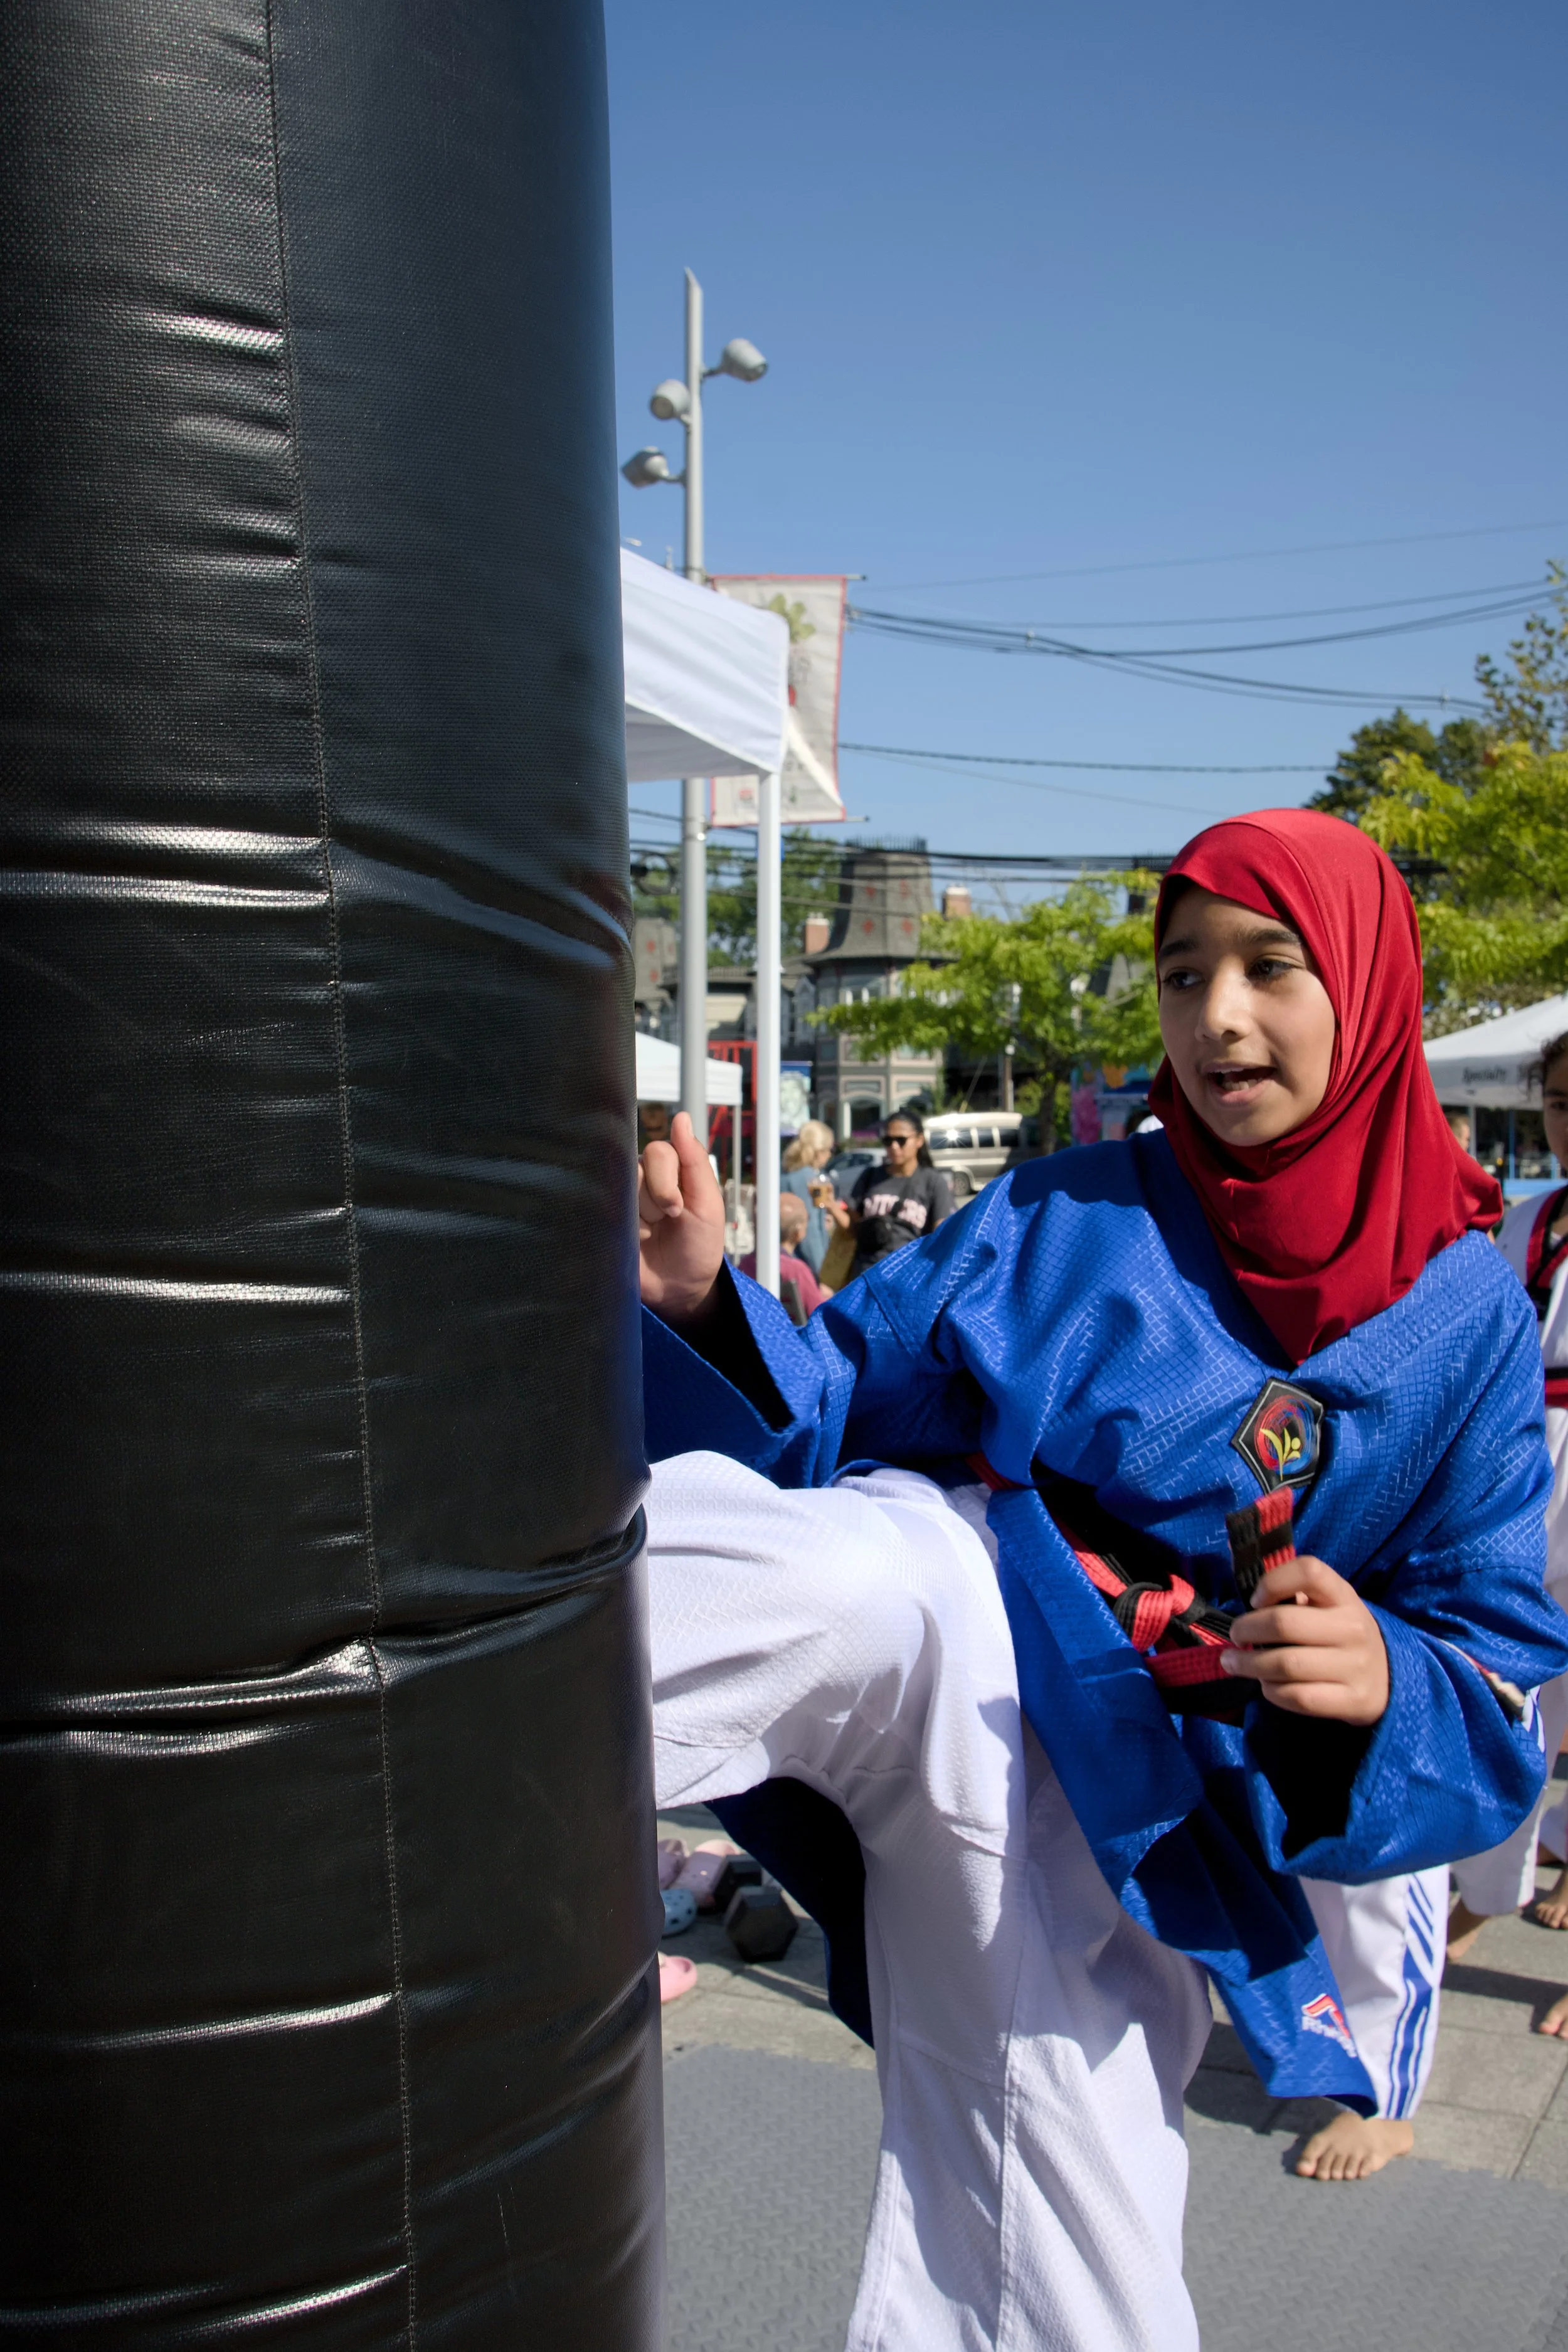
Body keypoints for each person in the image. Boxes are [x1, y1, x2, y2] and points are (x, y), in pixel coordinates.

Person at [635, 810, 1566, 2351]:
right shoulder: (1068, 1205)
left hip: (1137, 1811)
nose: (1216, 1016)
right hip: (949, 1633)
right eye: (1182, 970)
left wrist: (1387, 1677)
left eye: (1270, 965)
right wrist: (707, 1311)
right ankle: (389, 1700)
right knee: (862, 1561)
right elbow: (840, 1395)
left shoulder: (1464, 1313)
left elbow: (1491, 1662)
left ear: (1368, 981)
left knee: (1064, 2263)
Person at [1444, 1034, 1568, 1991]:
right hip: (1528, 1471)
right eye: (1560, 1101)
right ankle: (1487, 1891)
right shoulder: (1526, 1220)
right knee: (1512, 1694)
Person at [846, 1107, 954, 1279]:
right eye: (888, 1140)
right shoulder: (870, 1176)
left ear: (919, 1140)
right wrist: (829, 1205)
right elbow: (851, 1226)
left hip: (907, 1277)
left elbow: (942, 1234)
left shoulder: (933, 1182)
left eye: (901, 1140)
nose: (894, 1146)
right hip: (866, 1276)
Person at [740, 1192, 829, 1321]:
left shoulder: (746, 1263)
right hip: (789, 1338)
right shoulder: (796, 1270)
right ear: (799, 1233)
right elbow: (821, 1318)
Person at [781, 1118, 847, 1276]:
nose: (830, 1155)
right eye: (830, 1149)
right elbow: (810, 1231)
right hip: (803, 1266)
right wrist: (823, 1275)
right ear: (819, 1151)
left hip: (783, 1260)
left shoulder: (786, 1172)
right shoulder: (809, 1179)